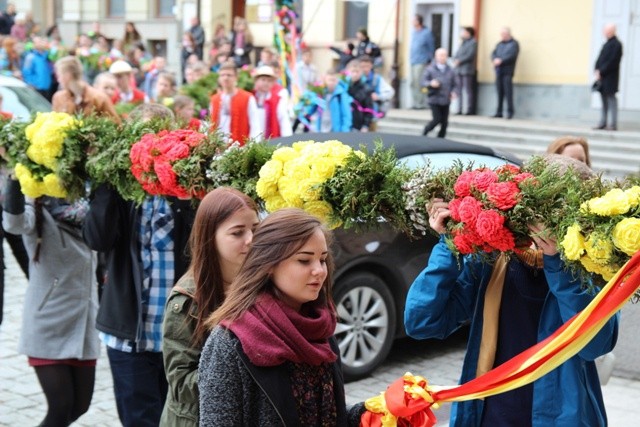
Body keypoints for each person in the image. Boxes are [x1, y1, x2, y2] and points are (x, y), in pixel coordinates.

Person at [404, 156, 619, 427]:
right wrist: (449, 244)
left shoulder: (595, 266)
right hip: (488, 414)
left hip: (563, 417)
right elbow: (422, 322)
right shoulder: (495, 258)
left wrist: (558, 263)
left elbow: (595, 346)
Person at [82, 103, 195, 427]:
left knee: (180, 419)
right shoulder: (121, 190)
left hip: (180, 337)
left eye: (159, 137)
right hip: (129, 334)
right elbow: (97, 239)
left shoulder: (184, 188)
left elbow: (197, 251)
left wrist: (184, 196)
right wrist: (105, 180)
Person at [198, 208, 365, 426]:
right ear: (269, 265)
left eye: (322, 260)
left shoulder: (321, 329)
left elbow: (328, 416)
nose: (319, 270)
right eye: (304, 260)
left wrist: (376, 412)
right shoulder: (229, 343)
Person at [2, 173, 100, 426]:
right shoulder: (35, 200)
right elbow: (14, 224)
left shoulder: (87, 196)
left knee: (80, 406)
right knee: (60, 408)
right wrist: (15, 177)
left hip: (85, 318)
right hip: (49, 320)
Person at [160, 187, 259, 426]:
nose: (251, 240)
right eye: (237, 233)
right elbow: (181, 383)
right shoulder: (187, 299)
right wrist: (241, 372)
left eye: (256, 229)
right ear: (209, 236)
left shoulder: (260, 281)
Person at [52, 56, 121, 123]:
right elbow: (54, 124)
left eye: (59, 75)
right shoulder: (59, 98)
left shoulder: (99, 98)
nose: (58, 80)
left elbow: (116, 125)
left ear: (67, 75)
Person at [209, 61, 262, 144]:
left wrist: (251, 146)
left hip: (241, 148)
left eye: (229, 75)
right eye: (222, 75)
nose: (225, 78)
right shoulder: (214, 99)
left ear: (236, 77)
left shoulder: (248, 98)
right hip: (218, 148)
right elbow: (211, 125)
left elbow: (255, 125)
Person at [421, 48, 457, 138]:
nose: (442, 57)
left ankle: (441, 138)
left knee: (445, 122)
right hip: (434, 98)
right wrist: (431, 83)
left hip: (446, 99)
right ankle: (426, 130)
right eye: (440, 55)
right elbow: (423, 82)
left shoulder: (450, 70)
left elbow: (456, 84)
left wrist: (454, 92)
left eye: (444, 55)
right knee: (437, 119)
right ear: (436, 57)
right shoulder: (430, 69)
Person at [593, 23, 623, 131]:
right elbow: (600, 58)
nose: (604, 32)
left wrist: (602, 71)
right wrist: (596, 70)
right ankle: (603, 122)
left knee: (611, 100)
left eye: (606, 30)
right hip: (602, 78)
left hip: (610, 78)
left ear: (612, 31)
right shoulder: (606, 44)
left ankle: (612, 124)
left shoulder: (617, 45)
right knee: (603, 101)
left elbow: (613, 61)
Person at [253, 65, 292, 139]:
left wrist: (288, 138)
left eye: (269, 81)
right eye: (263, 79)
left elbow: (283, 119)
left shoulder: (277, 99)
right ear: (256, 80)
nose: (266, 83)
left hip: (270, 138)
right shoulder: (251, 97)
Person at [491, 27, 519, 119]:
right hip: (499, 71)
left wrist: (501, 60)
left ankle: (510, 112)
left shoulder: (514, 44)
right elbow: (493, 53)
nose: (502, 36)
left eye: (503, 34)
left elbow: (511, 56)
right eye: (501, 34)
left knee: (508, 92)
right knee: (499, 92)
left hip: (508, 71)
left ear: (508, 34)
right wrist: (494, 59)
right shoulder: (499, 44)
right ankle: (499, 112)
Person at [359, 55, 394, 130]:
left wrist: (378, 96)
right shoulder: (356, 79)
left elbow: (390, 92)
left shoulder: (376, 79)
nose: (365, 69)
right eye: (362, 66)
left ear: (371, 66)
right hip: (358, 115)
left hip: (372, 115)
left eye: (367, 66)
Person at [410, 14, 435, 110]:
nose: (412, 22)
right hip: (413, 60)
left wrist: (429, 60)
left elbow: (431, 47)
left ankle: (421, 103)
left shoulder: (426, 33)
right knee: (412, 83)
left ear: (418, 21)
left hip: (422, 61)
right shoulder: (414, 32)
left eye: (413, 20)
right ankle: (415, 102)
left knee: (420, 82)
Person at [453, 26, 477, 115]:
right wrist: (455, 59)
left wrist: (460, 60)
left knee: (468, 90)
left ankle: (469, 109)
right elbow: (457, 53)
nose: (462, 33)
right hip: (459, 69)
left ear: (468, 33)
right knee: (458, 89)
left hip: (467, 70)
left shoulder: (473, 42)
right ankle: (459, 109)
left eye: (464, 32)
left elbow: (470, 55)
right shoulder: (463, 42)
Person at [346, 59, 374, 132]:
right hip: (345, 124)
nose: (355, 74)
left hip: (358, 125)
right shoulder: (344, 87)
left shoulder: (366, 89)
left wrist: (366, 125)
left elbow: (369, 108)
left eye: (357, 71)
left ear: (361, 72)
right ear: (348, 72)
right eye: (353, 71)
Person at [22, 36, 52, 101]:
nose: (41, 43)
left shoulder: (47, 56)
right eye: (38, 42)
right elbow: (26, 72)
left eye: (41, 41)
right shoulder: (30, 57)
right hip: (36, 88)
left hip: (46, 87)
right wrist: (32, 84)